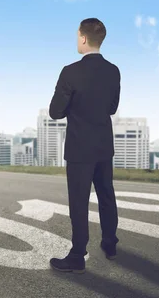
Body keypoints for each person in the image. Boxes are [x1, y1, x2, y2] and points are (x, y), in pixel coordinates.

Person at [48, 18, 120, 274]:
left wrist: (72, 105)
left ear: (82, 38)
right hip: (103, 145)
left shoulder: (70, 71)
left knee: (79, 202)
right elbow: (112, 108)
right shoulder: (113, 71)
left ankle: (78, 255)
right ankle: (110, 244)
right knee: (106, 195)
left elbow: (55, 112)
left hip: (80, 148)